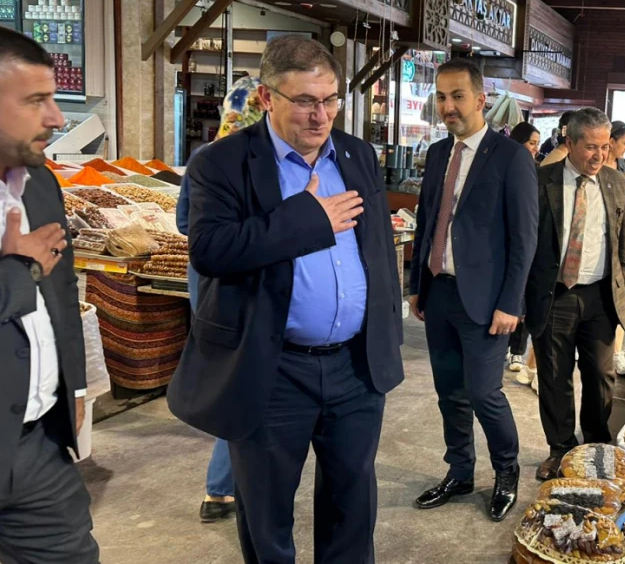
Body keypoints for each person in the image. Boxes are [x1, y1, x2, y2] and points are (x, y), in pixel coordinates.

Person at [168, 35, 404, 564]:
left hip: (355, 369)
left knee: (353, 508)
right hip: (273, 369)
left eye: (330, 99)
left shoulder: (358, 154)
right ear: (268, 98)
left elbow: (376, 251)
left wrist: (384, 324)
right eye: (305, 101)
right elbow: (211, 249)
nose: (321, 115)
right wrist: (307, 220)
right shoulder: (222, 162)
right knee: (267, 517)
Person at [409, 59, 538, 522]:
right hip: (439, 294)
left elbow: (524, 239)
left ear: (481, 99)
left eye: (458, 96)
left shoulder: (512, 158)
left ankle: (506, 473)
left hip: (486, 302)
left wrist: (511, 303)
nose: (448, 106)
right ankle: (460, 472)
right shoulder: (441, 153)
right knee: (449, 392)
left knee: (484, 393)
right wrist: (416, 286)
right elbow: (427, 222)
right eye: (441, 97)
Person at [0, 28, 98, 564]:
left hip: (35, 445)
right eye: (36, 100)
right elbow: (33, 275)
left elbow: (62, 289)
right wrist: (18, 270)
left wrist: (76, 386)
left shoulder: (38, 184)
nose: (57, 118)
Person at [524, 107, 625, 481]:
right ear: (569, 142)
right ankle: (560, 449)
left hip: (601, 296)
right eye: (590, 147)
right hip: (555, 295)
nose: (599, 155)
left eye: (605, 147)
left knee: (600, 375)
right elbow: (523, 243)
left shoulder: (615, 182)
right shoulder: (541, 181)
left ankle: (596, 447)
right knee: (554, 376)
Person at [176, 75, 264, 524]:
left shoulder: (201, 157)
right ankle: (225, 486)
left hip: (202, 271)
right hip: (241, 277)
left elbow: (182, 222)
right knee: (244, 374)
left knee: (224, 363)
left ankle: (220, 489)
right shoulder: (253, 160)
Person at [602, 121, 625, 377]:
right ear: (611, 141)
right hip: (601, 240)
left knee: (621, 296)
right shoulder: (594, 166)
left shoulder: (624, 166)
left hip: (624, 235)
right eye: (624, 143)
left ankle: (617, 353)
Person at [506, 121, 541, 385]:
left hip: (531, 245)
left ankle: (517, 351)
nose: (536, 149)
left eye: (538, 144)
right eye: (532, 143)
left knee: (525, 302)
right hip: (504, 246)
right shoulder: (504, 167)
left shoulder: (538, 170)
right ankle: (506, 347)